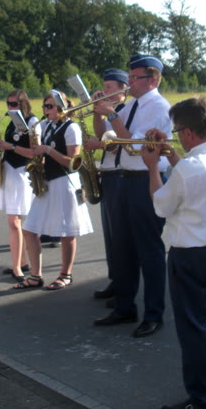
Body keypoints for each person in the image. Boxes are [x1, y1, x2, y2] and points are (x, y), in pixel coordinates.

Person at [141, 96, 206, 409]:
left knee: (193, 328)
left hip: (191, 255)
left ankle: (202, 398)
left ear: (187, 133)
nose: (176, 138)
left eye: (177, 132)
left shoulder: (188, 169)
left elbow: (161, 205)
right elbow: (196, 183)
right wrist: (173, 157)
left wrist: (152, 167)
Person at [92, 54, 172, 338]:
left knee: (149, 251)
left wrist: (112, 113)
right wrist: (98, 112)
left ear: (153, 80)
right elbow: (105, 135)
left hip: (146, 181)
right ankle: (124, 307)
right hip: (125, 180)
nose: (130, 83)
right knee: (123, 248)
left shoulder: (159, 107)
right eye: (130, 77)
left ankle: (154, 314)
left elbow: (133, 145)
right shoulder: (133, 105)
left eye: (135, 78)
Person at [13, 91, 93, 291]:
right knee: (29, 229)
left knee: (67, 233)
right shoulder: (46, 126)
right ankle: (35, 276)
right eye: (44, 106)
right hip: (48, 182)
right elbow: (39, 153)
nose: (45, 110)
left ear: (60, 108)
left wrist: (48, 150)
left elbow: (73, 162)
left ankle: (66, 275)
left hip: (65, 183)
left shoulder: (71, 128)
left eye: (49, 107)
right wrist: (36, 153)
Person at [83, 68, 129, 303]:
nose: (104, 90)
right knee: (110, 235)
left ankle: (123, 286)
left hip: (120, 175)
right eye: (104, 86)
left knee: (120, 235)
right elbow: (101, 132)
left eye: (109, 87)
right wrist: (96, 112)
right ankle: (115, 280)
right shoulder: (108, 110)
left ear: (123, 89)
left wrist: (97, 146)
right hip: (108, 174)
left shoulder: (124, 111)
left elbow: (120, 142)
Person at [0, 89, 38, 281]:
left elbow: (34, 152)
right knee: (14, 221)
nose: (10, 108)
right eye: (8, 104)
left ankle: (18, 267)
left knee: (15, 221)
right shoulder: (11, 122)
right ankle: (21, 262)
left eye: (14, 104)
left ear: (23, 103)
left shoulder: (32, 121)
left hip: (22, 173)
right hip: (10, 171)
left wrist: (10, 147)